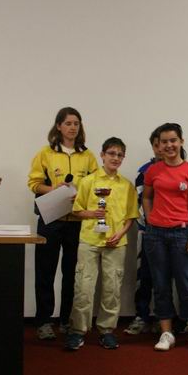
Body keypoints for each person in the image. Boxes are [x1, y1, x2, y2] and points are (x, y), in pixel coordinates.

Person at [28, 107, 98, 340]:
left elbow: (95, 184)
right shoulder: (46, 153)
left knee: (72, 273)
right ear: (58, 126)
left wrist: (82, 194)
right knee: (45, 272)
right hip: (51, 220)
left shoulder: (87, 156)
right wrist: (53, 189)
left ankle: (66, 320)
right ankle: (44, 321)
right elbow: (34, 184)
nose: (72, 127)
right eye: (68, 123)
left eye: (76, 123)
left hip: (76, 221)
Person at [63, 137, 139, 351]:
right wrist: (92, 214)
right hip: (89, 240)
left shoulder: (126, 185)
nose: (115, 158)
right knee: (84, 287)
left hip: (116, 243)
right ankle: (78, 330)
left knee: (112, 288)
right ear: (102, 155)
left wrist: (120, 233)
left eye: (120, 155)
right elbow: (76, 210)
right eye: (111, 153)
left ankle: (107, 330)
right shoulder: (88, 181)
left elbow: (131, 216)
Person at [142, 123, 188, 352]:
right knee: (161, 285)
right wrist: (150, 220)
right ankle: (166, 333)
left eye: (173, 140)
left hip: (182, 233)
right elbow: (147, 198)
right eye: (164, 142)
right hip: (156, 235)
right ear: (159, 145)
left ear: (181, 141)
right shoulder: (153, 171)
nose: (169, 145)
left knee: (187, 284)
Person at [123, 129, 161, 335]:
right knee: (144, 276)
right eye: (157, 144)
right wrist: (149, 226)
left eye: (165, 142)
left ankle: (164, 317)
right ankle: (141, 316)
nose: (162, 147)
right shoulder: (144, 173)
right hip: (148, 233)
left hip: (174, 234)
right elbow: (139, 205)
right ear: (153, 147)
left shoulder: (183, 169)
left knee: (167, 278)